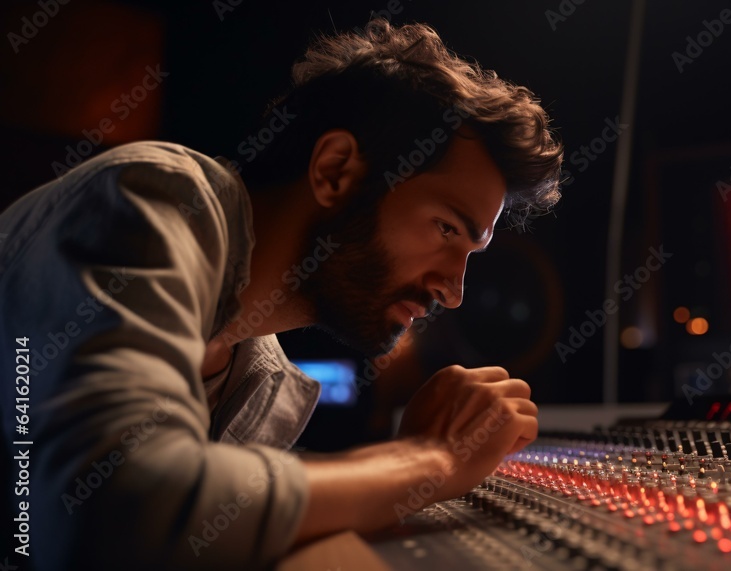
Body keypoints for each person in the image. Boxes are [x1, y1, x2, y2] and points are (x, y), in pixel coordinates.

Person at [0, 19, 562, 570]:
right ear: (336, 171)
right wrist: (427, 459)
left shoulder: (258, 375)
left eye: (472, 250)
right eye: (446, 229)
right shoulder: (159, 192)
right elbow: (119, 515)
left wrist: (404, 467)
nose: (454, 289)